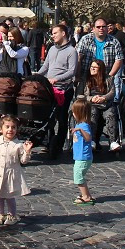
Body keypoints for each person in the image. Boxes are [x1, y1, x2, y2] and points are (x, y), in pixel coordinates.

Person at [0, 114, 33, 226]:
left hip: (11, 173)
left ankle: (12, 215)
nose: (10, 130)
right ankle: (0, 214)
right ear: (1, 129)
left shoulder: (18, 145)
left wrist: (27, 152)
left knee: (9, 195)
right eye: (7, 127)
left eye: (13, 127)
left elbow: (23, 161)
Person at [37, 24, 79, 158]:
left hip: (64, 89)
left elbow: (72, 71)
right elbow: (46, 66)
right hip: (50, 88)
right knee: (47, 116)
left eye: (55, 33)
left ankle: (58, 145)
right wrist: (36, 77)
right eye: (52, 33)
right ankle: (47, 142)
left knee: (61, 118)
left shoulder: (72, 51)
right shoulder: (52, 49)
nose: (53, 35)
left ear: (63, 33)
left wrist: (56, 78)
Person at [82, 59, 118, 152]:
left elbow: (112, 92)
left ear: (100, 69)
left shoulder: (109, 79)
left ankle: (113, 141)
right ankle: (92, 140)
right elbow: (81, 95)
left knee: (111, 114)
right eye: (91, 67)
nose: (92, 69)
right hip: (93, 104)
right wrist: (91, 98)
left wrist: (104, 98)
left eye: (95, 68)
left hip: (106, 104)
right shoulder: (87, 80)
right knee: (92, 114)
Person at [70, 96, 95, 205]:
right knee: (79, 176)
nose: (73, 115)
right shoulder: (79, 124)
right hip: (79, 156)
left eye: (74, 113)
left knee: (78, 177)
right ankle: (87, 195)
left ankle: (85, 196)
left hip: (83, 157)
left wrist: (80, 130)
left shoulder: (84, 126)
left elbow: (88, 138)